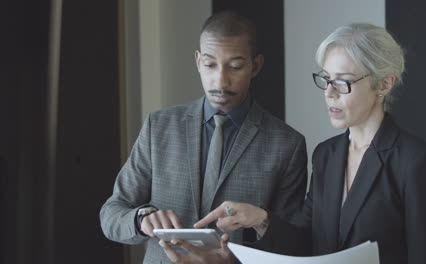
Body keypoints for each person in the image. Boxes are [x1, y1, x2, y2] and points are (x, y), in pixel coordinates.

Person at [196, 23, 426, 264]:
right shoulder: (326, 155)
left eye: (343, 81)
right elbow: (306, 243)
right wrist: (260, 219)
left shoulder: (417, 162)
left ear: (384, 84)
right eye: (326, 79)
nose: (329, 92)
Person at [99, 11, 308, 264]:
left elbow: (294, 244)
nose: (220, 80)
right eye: (210, 65)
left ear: (256, 65)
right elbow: (111, 214)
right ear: (198, 61)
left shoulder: (287, 144)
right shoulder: (159, 127)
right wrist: (141, 219)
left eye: (235, 66)